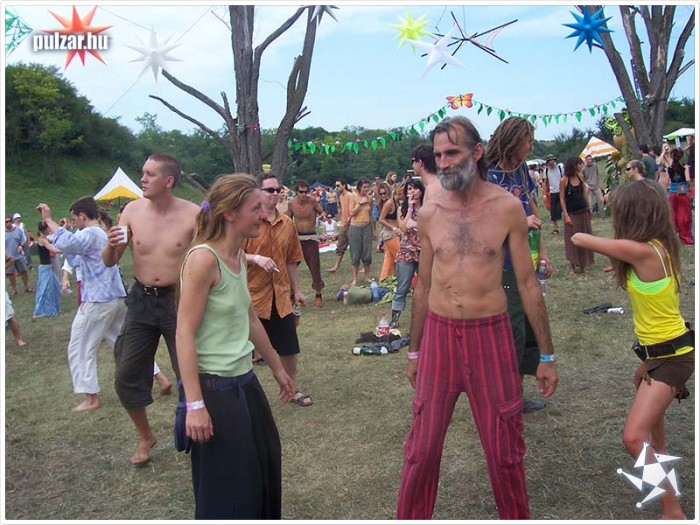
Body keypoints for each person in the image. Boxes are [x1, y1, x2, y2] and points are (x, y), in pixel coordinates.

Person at [396, 116, 558, 520]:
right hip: (439, 337)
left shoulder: (506, 208)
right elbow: (423, 286)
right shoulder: (430, 212)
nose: (444, 162)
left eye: (453, 152)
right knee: (422, 448)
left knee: (505, 451)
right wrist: (414, 352)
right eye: (438, 155)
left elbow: (527, 283)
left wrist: (546, 356)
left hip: (491, 336)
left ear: (478, 151)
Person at [571, 179, 693, 520]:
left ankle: (673, 510)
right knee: (642, 398)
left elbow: (579, 238)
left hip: (672, 357)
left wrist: (615, 250)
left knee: (633, 438)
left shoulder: (645, 251)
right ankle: (663, 460)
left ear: (633, 216)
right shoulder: (658, 248)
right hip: (659, 353)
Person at [176, 174, 295, 519]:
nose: (264, 214)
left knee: (264, 465)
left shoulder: (239, 257)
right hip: (215, 389)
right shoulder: (203, 259)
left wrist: (277, 368)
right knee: (230, 488)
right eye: (255, 208)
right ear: (229, 213)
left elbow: (250, 319)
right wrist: (194, 404)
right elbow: (184, 333)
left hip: (245, 381)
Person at [104, 153, 201, 465]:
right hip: (141, 300)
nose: (142, 179)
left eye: (149, 174)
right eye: (143, 173)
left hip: (178, 300)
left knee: (191, 373)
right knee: (126, 374)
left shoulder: (193, 215)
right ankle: (145, 436)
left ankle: (197, 430)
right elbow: (110, 261)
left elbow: (207, 257)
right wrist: (110, 244)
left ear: (168, 181)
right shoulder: (131, 211)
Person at [486, 116, 554, 414]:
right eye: (528, 141)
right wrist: (519, 222)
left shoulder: (522, 170)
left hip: (526, 259)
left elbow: (531, 206)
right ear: (513, 140)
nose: (531, 146)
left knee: (528, 325)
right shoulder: (487, 175)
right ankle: (505, 395)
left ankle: (517, 391)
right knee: (512, 329)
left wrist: (543, 252)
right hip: (501, 266)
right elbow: (482, 222)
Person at [37, 197, 127, 413]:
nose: (74, 222)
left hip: (98, 300)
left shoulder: (91, 233)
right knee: (122, 344)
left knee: (79, 346)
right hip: (114, 297)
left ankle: (91, 397)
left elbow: (69, 243)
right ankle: (159, 377)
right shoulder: (100, 233)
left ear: (82, 216)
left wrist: (48, 220)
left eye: (75, 218)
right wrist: (59, 233)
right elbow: (75, 256)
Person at [244, 173, 312, 407]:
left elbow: (291, 259)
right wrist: (255, 258)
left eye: (278, 189)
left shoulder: (287, 224)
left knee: (289, 347)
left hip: (280, 296)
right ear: (258, 192)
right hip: (252, 296)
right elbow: (230, 254)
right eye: (269, 190)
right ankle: (244, 395)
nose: (275, 194)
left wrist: (297, 290)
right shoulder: (248, 222)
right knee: (245, 349)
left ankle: (289, 389)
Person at [389, 178, 424, 329]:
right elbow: (403, 228)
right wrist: (409, 209)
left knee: (425, 286)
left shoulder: (427, 208)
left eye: (415, 188)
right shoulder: (401, 210)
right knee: (402, 286)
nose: (412, 191)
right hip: (406, 252)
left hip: (424, 252)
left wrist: (416, 224)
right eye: (409, 189)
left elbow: (431, 227)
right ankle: (395, 318)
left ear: (421, 191)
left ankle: (426, 316)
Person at [287, 179, 325, 307]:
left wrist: (323, 215)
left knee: (315, 266)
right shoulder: (292, 203)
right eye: (301, 192)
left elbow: (321, 211)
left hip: (310, 237)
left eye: (305, 192)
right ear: (296, 192)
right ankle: (292, 295)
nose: (303, 194)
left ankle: (318, 294)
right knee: (291, 266)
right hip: (297, 238)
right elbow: (287, 218)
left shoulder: (312, 201)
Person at [560, 156, 594, 274]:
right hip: (572, 213)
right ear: (574, 165)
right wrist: (566, 215)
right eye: (579, 164)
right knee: (572, 239)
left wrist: (589, 208)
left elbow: (584, 193)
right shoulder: (564, 180)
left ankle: (583, 265)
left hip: (582, 211)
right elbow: (562, 198)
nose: (581, 166)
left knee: (584, 237)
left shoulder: (580, 176)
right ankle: (572, 266)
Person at [347, 177, 374, 285]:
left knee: (367, 253)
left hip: (367, 227)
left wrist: (373, 228)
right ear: (359, 187)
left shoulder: (369, 198)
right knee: (355, 253)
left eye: (368, 187)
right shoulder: (353, 196)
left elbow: (370, 214)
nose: (366, 189)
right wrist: (360, 203)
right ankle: (355, 278)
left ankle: (367, 276)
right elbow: (351, 213)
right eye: (364, 187)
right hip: (355, 227)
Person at [33, 221, 62, 319]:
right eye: (48, 228)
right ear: (44, 230)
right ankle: (42, 310)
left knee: (55, 287)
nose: (49, 230)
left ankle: (52, 307)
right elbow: (53, 249)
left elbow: (55, 241)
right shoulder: (42, 240)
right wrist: (65, 250)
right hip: (45, 268)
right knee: (45, 289)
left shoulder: (44, 239)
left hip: (48, 267)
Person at [665, 148, 693, 245]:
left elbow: (667, 181)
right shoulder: (685, 167)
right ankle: (685, 236)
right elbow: (688, 179)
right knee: (684, 215)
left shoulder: (669, 168)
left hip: (673, 192)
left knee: (673, 215)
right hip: (682, 191)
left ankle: (674, 235)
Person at [327, 179, 353, 273]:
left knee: (355, 247)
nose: (336, 187)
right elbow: (342, 209)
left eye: (338, 185)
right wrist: (342, 220)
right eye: (336, 186)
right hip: (344, 225)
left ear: (344, 185)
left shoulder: (350, 195)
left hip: (351, 225)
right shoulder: (341, 196)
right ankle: (336, 266)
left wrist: (348, 220)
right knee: (340, 245)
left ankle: (361, 266)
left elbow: (351, 210)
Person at [377, 182, 401, 281]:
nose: (383, 195)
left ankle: (385, 279)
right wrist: (394, 228)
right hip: (389, 234)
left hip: (392, 234)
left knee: (389, 259)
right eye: (381, 194)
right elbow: (381, 220)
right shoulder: (388, 203)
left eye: (384, 193)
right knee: (401, 257)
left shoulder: (395, 202)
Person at [5, 215, 33, 295]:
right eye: (6, 222)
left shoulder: (18, 230)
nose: (8, 223)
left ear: (12, 221)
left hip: (18, 255)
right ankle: (14, 289)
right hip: (8, 258)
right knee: (10, 274)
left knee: (24, 271)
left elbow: (23, 240)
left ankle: (27, 287)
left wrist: (21, 246)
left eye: (9, 221)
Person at [543, 154, 563, 234]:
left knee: (562, 208)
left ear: (554, 160)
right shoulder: (546, 171)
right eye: (549, 161)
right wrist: (544, 194)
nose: (551, 162)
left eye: (552, 160)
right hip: (552, 192)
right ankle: (555, 228)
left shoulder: (560, 168)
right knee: (553, 211)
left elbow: (564, 178)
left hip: (561, 191)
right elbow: (544, 182)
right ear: (547, 162)